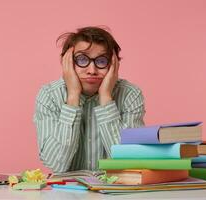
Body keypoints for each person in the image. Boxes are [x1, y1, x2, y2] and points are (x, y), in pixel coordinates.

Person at [33, 26, 146, 173]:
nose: (92, 70)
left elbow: (130, 163)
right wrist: (73, 97)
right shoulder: (49, 95)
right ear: (66, 62)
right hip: (68, 193)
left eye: (101, 61)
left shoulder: (130, 95)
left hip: (116, 191)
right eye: (81, 59)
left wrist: (106, 97)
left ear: (114, 64)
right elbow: (56, 165)